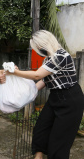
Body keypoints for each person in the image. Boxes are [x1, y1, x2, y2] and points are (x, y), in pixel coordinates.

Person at [10, 30, 84, 159]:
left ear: (45, 43)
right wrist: (26, 94)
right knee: (41, 130)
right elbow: (43, 80)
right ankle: (38, 157)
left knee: (59, 141)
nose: (38, 49)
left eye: (38, 46)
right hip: (55, 98)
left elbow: (37, 75)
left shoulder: (61, 56)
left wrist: (14, 72)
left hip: (70, 100)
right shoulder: (49, 58)